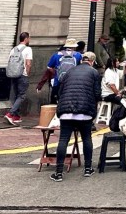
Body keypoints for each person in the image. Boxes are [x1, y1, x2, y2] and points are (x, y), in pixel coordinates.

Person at [50, 51, 100, 182]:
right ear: (92, 62)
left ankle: (59, 172)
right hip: (85, 112)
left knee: (63, 140)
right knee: (86, 138)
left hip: (66, 111)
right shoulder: (94, 73)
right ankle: (88, 169)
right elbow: (97, 94)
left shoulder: (70, 72)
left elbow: (60, 92)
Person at [4, 32, 33, 126]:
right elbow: (28, 64)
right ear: (26, 39)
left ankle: (16, 116)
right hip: (22, 74)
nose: (29, 40)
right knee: (21, 96)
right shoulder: (28, 49)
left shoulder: (14, 49)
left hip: (13, 74)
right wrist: (27, 74)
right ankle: (10, 114)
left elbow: (9, 62)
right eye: (29, 38)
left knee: (16, 95)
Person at [40, 38, 82, 104]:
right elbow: (80, 67)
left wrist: (56, 72)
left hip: (58, 81)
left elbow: (49, 67)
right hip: (72, 82)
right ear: (74, 47)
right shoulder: (78, 55)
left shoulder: (57, 54)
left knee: (55, 100)